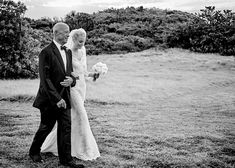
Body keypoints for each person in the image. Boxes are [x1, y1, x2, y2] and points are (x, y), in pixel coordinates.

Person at [29, 22, 84, 168]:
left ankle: (66, 160)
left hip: (65, 97)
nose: (68, 35)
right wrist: (57, 99)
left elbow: (70, 74)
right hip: (49, 99)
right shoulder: (45, 52)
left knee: (65, 127)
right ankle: (34, 152)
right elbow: (45, 79)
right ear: (56, 33)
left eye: (68, 32)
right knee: (46, 127)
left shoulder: (68, 51)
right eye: (66, 32)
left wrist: (72, 80)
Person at [41, 28, 101, 161]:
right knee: (82, 115)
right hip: (72, 89)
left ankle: (64, 146)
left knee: (73, 118)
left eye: (84, 41)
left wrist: (94, 75)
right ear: (73, 39)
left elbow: (83, 72)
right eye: (80, 42)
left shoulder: (83, 50)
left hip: (82, 88)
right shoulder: (68, 52)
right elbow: (66, 73)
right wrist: (73, 79)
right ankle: (85, 149)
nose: (82, 44)